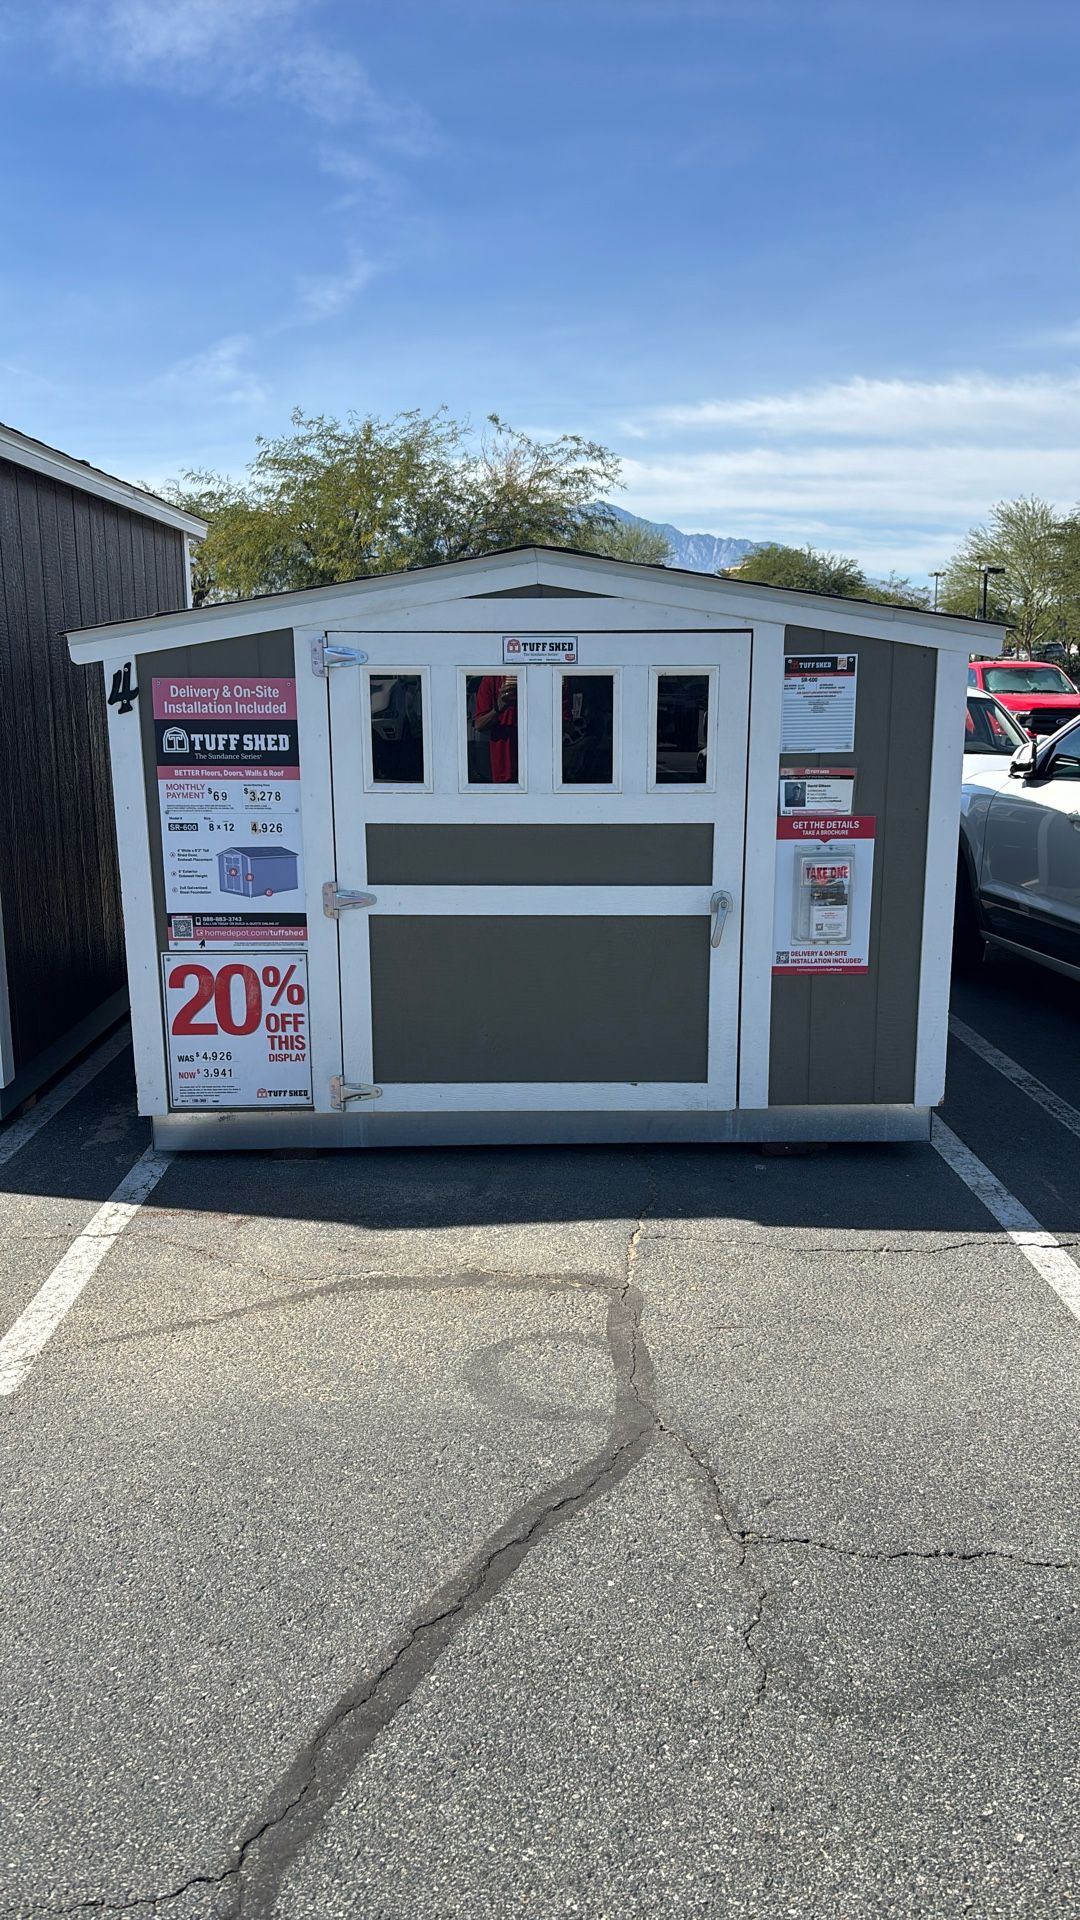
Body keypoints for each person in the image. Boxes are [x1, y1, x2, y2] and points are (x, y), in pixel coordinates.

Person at [474, 674, 519, 782]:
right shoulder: (492, 677)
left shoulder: (541, 675)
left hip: (538, 762)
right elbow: (479, 724)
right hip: (504, 763)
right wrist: (498, 709)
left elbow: (563, 722)